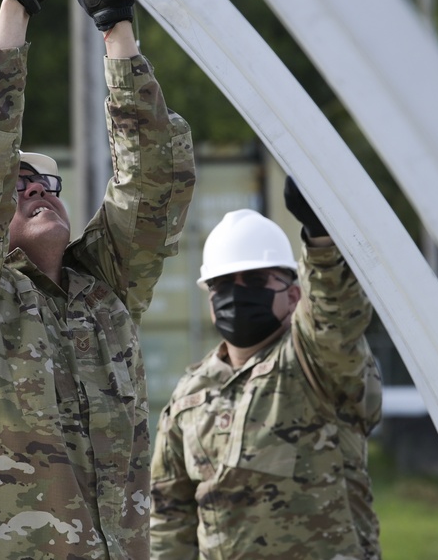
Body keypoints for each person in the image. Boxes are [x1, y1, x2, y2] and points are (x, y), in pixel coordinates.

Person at [0, 0, 195, 559]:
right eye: (17, 187)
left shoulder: (103, 294)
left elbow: (152, 187)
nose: (35, 190)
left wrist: (117, 29)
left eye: (43, 180)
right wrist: (17, 5)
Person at [150, 177, 383, 559]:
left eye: (255, 281)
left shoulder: (316, 360)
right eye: (222, 284)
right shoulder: (190, 395)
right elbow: (168, 518)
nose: (236, 293)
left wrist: (322, 237)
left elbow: (336, 313)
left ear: (293, 295)